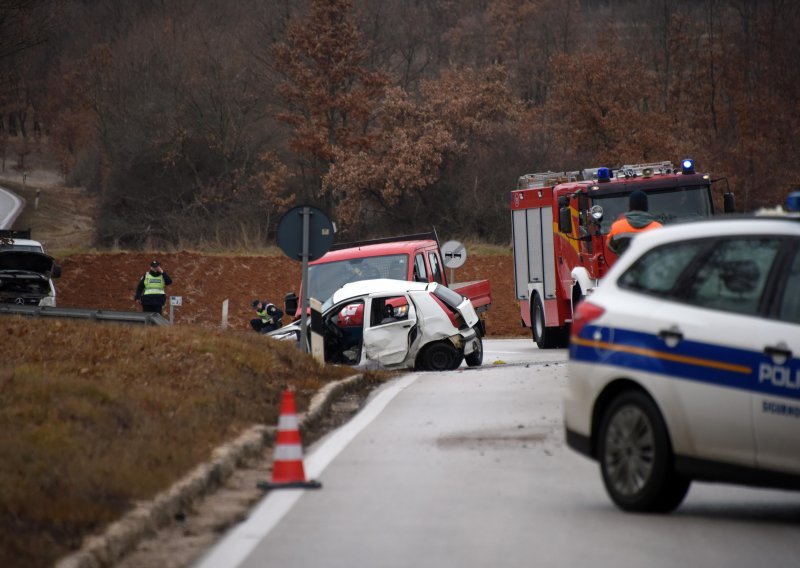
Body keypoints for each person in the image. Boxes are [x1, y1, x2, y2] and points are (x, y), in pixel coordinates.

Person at [607, 190, 663, 254]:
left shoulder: (617, 227)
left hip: (627, 263)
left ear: (630, 206)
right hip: (652, 264)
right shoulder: (658, 227)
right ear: (646, 207)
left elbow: (611, 247)